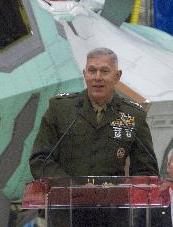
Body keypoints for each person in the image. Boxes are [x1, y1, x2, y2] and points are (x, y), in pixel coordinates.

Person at [29, 47, 159, 226]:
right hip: (66, 214)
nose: (97, 77)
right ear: (84, 74)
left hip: (113, 215)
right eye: (92, 71)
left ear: (117, 76)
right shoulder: (60, 109)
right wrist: (73, 187)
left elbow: (147, 171)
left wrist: (119, 192)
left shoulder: (132, 115)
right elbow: (40, 159)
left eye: (105, 71)